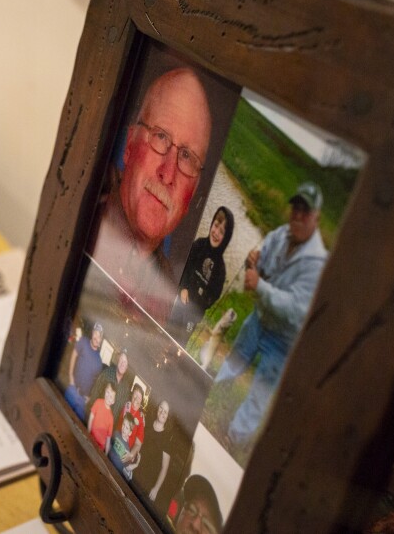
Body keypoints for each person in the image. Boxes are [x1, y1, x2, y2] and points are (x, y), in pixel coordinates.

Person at [91, 67, 213, 321]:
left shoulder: (169, 300)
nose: (168, 174)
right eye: (160, 137)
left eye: (187, 157)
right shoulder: (81, 211)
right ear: (129, 145)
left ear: (192, 196)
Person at [215, 182, 329, 446]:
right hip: (259, 319)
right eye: (296, 208)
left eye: (306, 211)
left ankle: (233, 437)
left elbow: (296, 309)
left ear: (317, 218)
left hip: (283, 341)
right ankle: (206, 390)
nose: (298, 215)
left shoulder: (318, 263)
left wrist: (260, 286)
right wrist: (253, 261)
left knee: (259, 395)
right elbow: (262, 266)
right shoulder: (279, 235)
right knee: (234, 360)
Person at [169, 206, 235, 346]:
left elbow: (213, 296)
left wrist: (197, 302)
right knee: (168, 330)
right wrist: (184, 287)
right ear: (212, 224)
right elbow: (185, 267)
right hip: (181, 301)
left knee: (179, 343)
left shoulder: (220, 270)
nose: (216, 232)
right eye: (216, 226)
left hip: (193, 314)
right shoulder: (198, 244)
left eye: (222, 231)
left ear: (226, 237)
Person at [136, 400, 173, 512]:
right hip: (135, 468)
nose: (162, 412)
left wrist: (156, 488)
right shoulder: (147, 423)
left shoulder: (167, 439)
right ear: (157, 409)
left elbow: (164, 468)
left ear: (167, 417)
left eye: (165, 412)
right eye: (161, 408)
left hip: (148, 481)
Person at [64, 322, 105, 420]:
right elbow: (73, 355)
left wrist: (90, 398)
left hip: (83, 400)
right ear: (92, 333)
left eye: (99, 336)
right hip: (72, 389)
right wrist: (70, 376)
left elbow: (96, 383)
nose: (96, 337)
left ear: (101, 340)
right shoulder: (83, 342)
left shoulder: (99, 361)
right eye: (95, 333)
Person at [86, 348, 134, 422]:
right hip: (96, 419)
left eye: (125, 362)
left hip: (109, 427)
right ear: (118, 361)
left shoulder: (126, 389)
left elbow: (121, 413)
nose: (122, 364)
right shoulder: (106, 374)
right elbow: (94, 394)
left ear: (127, 366)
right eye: (121, 360)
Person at [119, 383, 146, 469]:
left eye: (139, 397)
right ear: (131, 395)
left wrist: (131, 455)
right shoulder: (125, 405)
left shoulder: (141, 419)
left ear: (141, 401)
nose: (136, 399)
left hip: (125, 452)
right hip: (114, 441)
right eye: (135, 394)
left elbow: (138, 444)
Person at [109, 413, 141, 479]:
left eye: (127, 428)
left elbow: (127, 468)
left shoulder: (127, 449)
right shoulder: (116, 433)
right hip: (108, 463)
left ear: (130, 433)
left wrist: (136, 464)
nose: (124, 428)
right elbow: (109, 445)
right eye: (123, 425)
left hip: (116, 474)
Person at [88, 382, 116, 453]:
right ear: (105, 391)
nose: (108, 396)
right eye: (107, 392)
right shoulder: (98, 402)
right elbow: (91, 418)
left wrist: (105, 454)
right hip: (90, 437)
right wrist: (87, 433)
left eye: (111, 396)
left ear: (113, 401)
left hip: (100, 447)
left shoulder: (111, 418)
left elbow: (108, 438)